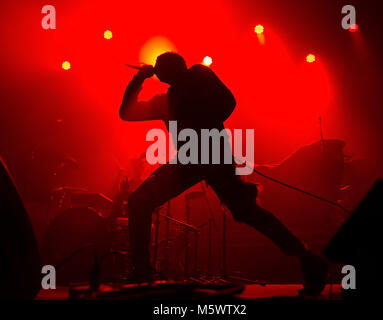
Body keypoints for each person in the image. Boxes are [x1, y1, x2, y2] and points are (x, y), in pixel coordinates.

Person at [119, 52, 328, 296]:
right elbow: (127, 113)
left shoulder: (197, 75)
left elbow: (228, 102)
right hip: (195, 158)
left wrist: (198, 120)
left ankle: (308, 259)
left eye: (160, 68)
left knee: (246, 212)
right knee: (140, 204)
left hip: (210, 155)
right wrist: (138, 79)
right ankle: (308, 259)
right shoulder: (165, 100)